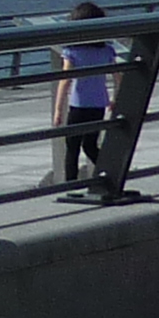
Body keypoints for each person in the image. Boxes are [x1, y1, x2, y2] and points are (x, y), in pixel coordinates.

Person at [51, 15, 116, 190]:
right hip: (98, 104)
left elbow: (65, 81)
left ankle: (71, 185)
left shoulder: (72, 52)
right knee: (90, 145)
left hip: (78, 105)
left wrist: (58, 110)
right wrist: (115, 98)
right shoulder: (107, 50)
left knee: (72, 147)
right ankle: (111, 173)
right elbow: (117, 75)